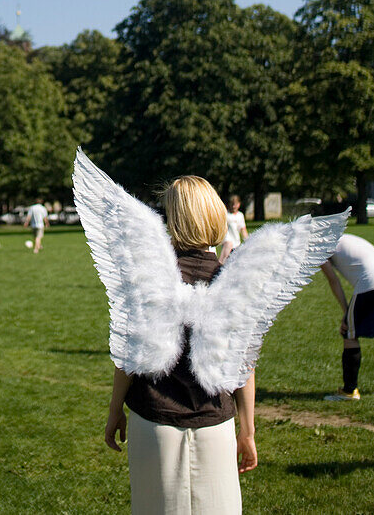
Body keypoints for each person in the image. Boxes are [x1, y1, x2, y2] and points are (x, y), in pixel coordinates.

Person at [104, 176, 257, 515]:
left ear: (172, 220)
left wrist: (115, 410)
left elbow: (128, 357)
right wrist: (247, 428)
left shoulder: (148, 280)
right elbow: (244, 364)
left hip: (154, 423)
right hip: (215, 423)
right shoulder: (231, 281)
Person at [321, 232, 374, 400]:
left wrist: (346, 312)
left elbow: (333, 280)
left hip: (369, 285)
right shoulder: (343, 238)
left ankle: (349, 391)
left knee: (349, 334)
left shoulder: (319, 246)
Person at [219, 195, 249, 262]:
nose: (233, 207)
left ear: (239, 204)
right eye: (232, 204)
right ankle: (219, 265)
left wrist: (247, 240)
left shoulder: (240, 215)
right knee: (224, 259)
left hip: (236, 243)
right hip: (227, 241)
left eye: (235, 204)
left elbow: (243, 229)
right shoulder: (226, 214)